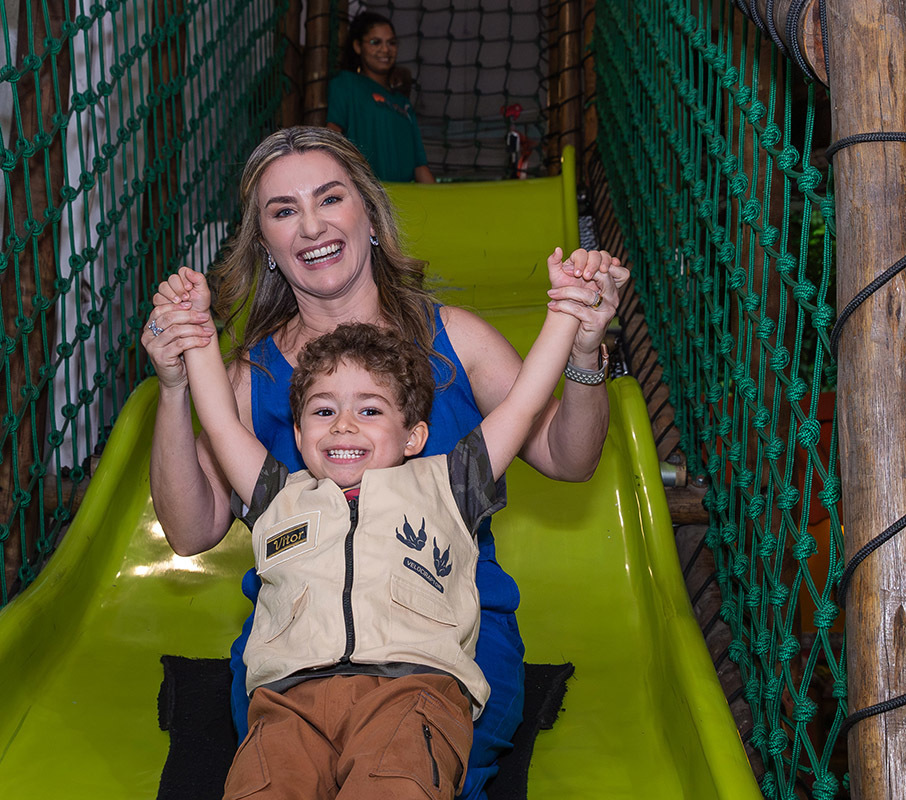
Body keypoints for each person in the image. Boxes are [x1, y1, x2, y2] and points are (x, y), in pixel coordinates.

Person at [143, 126, 625, 800]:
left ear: (368, 214)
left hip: (439, 642)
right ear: (267, 247)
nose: (310, 226)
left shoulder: (454, 338)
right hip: (299, 654)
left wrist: (582, 347)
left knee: (404, 759)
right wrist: (176, 383)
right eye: (283, 211)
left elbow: (570, 459)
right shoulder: (251, 375)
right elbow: (192, 532)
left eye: (329, 199)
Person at [327, 12, 436, 183]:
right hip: (367, 196)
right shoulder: (346, 84)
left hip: (407, 199)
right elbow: (332, 138)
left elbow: (420, 166)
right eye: (375, 42)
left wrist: (438, 201)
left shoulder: (403, 103)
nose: (385, 49)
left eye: (391, 43)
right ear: (357, 46)